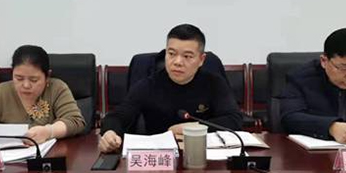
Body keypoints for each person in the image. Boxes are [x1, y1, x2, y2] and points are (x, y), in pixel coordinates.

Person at [99, 24, 242, 153]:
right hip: (159, 159)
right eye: (171, 54)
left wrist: (193, 128)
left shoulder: (213, 83)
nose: (177, 62)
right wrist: (110, 132)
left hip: (203, 156)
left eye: (187, 56)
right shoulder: (148, 85)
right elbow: (117, 117)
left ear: (201, 60)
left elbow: (234, 119)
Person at [0, 45, 85, 144]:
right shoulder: (1, 92)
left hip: (50, 158)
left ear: (47, 76)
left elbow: (75, 121)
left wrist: (49, 132)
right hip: (11, 162)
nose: (26, 85)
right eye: (19, 78)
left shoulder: (57, 88)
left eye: (34, 80)